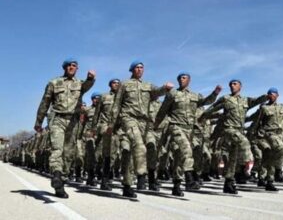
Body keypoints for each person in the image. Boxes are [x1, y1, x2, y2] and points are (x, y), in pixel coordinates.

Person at [107, 60, 173, 198]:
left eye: (141, 67)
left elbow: (157, 92)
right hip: (128, 118)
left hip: (143, 122)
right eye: (137, 67)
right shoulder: (124, 84)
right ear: (132, 70)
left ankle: (127, 185)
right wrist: (112, 125)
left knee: (129, 154)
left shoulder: (148, 85)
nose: (139, 69)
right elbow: (116, 105)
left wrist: (165, 88)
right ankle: (142, 175)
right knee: (139, 146)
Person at [34, 58, 95, 198]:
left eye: (74, 66)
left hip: (73, 122)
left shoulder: (80, 84)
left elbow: (87, 86)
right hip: (58, 120)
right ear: (64, 67)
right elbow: (45, 103)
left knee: (68, 153)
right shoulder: (54, 83)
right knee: (57, 149)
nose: (71, 67)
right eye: (69, 65)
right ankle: (56, 174)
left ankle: (61, 180)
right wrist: (39, 122)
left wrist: (91, 79)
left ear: (77, 69)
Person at [154, 72, 221, 196]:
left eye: (184, 78)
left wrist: (215, 93)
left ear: (189, 80)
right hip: (175, 127)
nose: (181, 80)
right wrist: (155, 126)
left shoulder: (195, 96)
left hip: (189, 130)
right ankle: (189, 179)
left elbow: (207, 101)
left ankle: (177, 184)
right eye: (179, 78)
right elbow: (162, 111)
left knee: (180, 157)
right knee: (187, 150)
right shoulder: (172, 94)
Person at [200, 79, 267, 194]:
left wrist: (266, 96)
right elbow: (213, 107)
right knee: (245, 143)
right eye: (231, 84)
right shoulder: (226, 99)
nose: (232, 86)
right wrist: (203, 116)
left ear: (240, 87)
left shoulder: (246, 100)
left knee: (232, 159)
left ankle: (229, 184)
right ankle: (243, 171)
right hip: (229, 129)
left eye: (235, 84)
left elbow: (257, 100)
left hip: (239, 131)